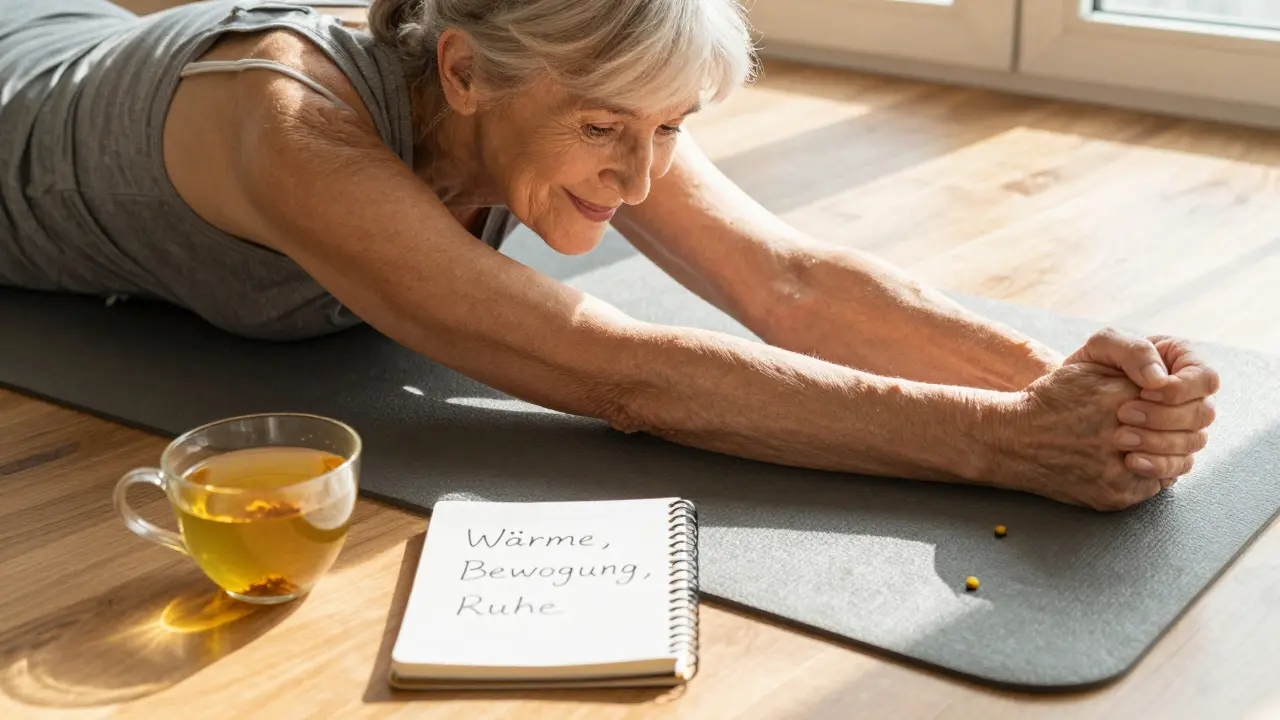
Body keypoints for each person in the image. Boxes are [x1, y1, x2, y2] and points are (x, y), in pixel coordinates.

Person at [0, 0, 1219, 511]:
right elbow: (611, 371)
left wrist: (1067, 386)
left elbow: (782, 282)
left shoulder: (579, 81)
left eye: (670, 132)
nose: (640, 180)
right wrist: (1002, 447)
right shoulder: (287, 126)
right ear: (464, 74)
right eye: (603, 131)